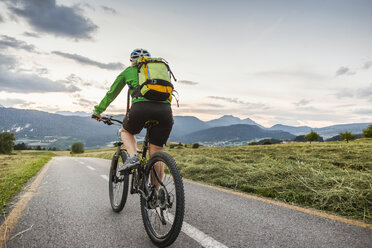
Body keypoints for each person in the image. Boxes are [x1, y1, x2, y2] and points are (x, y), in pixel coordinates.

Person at [92, 49, 174, 173]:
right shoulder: (158, 71)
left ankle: (133, 157)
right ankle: (157, 191)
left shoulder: (128, 71)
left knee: (126, 131)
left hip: (141, 108)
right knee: (156, 152)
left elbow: (111, 94)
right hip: (165, 110)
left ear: (132, 61)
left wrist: (98, 111)